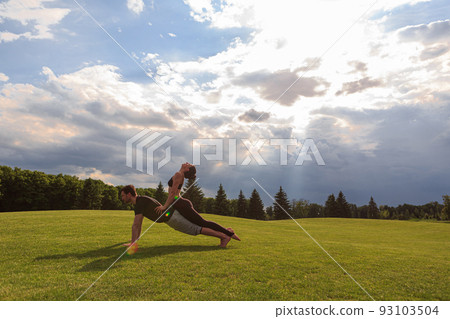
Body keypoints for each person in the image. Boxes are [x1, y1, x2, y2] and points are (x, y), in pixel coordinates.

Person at [120, 184, 239, 248]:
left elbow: (136, 225)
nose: (122, 198)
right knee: (198, 226)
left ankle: (224, 236)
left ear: (129, 194)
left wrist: (132, 243)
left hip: (173, 218)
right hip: (172, 217)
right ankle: (226, 232)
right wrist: (135, 240)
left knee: (196, 229)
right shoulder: (141, 200)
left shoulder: (140, 203)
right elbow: (138, 225)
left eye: (123, 196)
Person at [155, 162, 241, 246]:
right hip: (180, 203)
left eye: (188, 164)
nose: (186, 162)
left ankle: (228, 234)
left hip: (181, 204)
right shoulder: (180, 174)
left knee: (203, 223)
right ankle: (227, 232)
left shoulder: (179, 174)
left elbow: (173, 193)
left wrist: (165, 206)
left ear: (187, 169)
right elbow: (175, 193)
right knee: (202, 223)